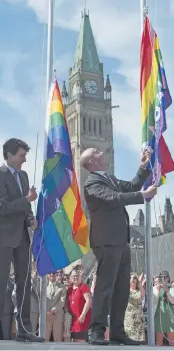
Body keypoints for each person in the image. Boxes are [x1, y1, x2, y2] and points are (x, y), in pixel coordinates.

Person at [80, 147, 156, 345]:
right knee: (105, 288)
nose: (101, 152)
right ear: (92, 162)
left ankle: (117, 332)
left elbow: (131, 186)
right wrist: (142, 196)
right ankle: (96, 330)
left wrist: (143, 166)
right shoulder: (92, 183)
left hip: (121, 241)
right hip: (106, 241)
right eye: (97, 152)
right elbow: (113, 199)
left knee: (122, 288)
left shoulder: (109, 179)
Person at [0, 138, 44, 343]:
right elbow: (2, 207)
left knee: (24, 282)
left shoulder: (24, 176)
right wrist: (26, 200)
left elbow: (25, 208)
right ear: (9, 156)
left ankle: (24, 329)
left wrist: (31, 218)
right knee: (0, 281)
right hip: (3, 236)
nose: (24, 160)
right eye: (21, 156)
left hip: (22, 237)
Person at [67, 267, 92, 342]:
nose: (75, 277)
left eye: (77, 275)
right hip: (73, 320)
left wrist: (83, 314)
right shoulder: (69, 289)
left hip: (82, 319)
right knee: (75, 341)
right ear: (70, 278)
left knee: (80, 342)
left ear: (81, 277)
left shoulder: (83, 287)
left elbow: (89, 300)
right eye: (73, 276)